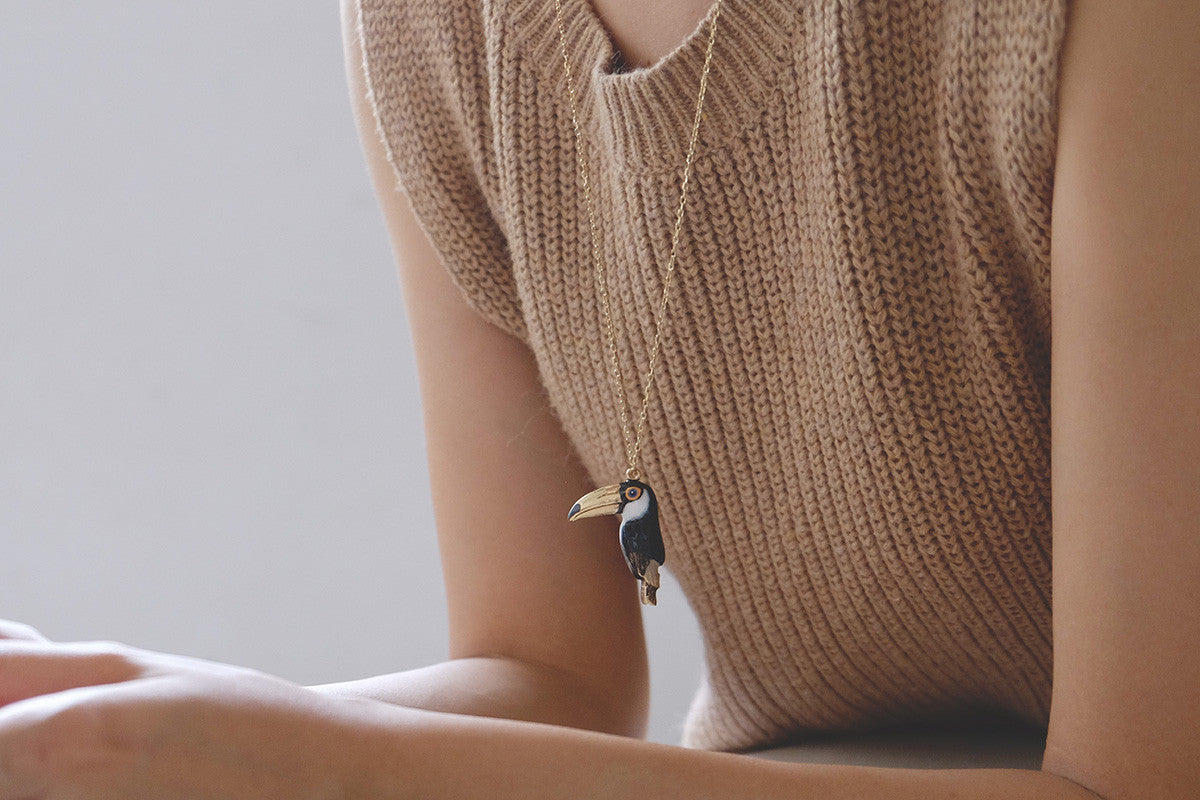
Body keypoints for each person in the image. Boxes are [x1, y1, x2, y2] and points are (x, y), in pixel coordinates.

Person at [0, 0, 1196, 796]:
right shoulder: (433, 28)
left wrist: (315, 759)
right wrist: (117, 714)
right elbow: (549, 672)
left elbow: (1132, 783)